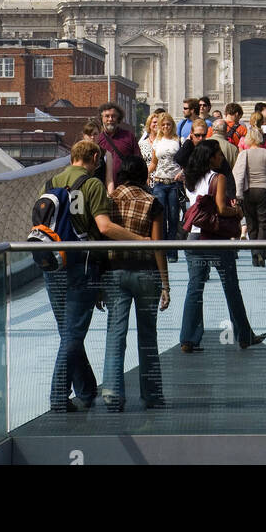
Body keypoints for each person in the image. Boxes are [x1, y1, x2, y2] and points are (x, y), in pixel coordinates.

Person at [40, 140, 145, 413]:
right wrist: (139, 239)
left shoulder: (50, 181)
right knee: (74, 333)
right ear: (95, 158)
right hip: (82, 265)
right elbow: (104, 226)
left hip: (53, 263)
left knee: (67, 330)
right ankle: (58, 395)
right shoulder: (92, 185)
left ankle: (86, 388)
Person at [179, 140, 266, 353]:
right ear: (211, 158)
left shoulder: (189, 178)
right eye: (218, 154)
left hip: (194, 236)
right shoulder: (218, 178)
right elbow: (220, 209)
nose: (221, 158)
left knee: (195, 287)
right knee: (230, 286)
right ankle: (244, 335)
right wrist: (236, 212)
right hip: (215, 237)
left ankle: (188, 339)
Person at [100, 159, 170, 412]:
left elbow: (101, 235)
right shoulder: (152, 202)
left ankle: (112, 394)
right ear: (144, 177)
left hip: (114, 271)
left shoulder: (108, 200)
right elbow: (157, 245)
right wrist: (165, 283)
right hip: (146, 273)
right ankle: (152, 395)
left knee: (115, 334)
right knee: (148, 336)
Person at [234, 125, 266, 266]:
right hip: (264, 189)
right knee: (263, 222)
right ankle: (260, 251)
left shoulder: (244, 154)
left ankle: (255, 255)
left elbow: (237, 173)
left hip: (248, 191)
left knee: (251, 223)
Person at [148, 113, 184, 258]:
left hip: (174, 183)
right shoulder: (157, 141)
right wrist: (145, 174)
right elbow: (154, 163)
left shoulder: (178, 140)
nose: (165, 127)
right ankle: (162, 250)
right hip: (159, 182)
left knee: (174, 217)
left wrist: (182, 172)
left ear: (172, 125)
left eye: (168, 124)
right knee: (161, 218)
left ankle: (172, 251)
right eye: (163, 125)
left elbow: (184, 161)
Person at [97, 103, 143, 188]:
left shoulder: (129, 136)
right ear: (101, 118)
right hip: (103, 187)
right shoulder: (98, 139)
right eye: (107, 116)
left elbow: (138, 161)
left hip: (126, 186)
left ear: (118, 118)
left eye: (113, 116)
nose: (110, 119)